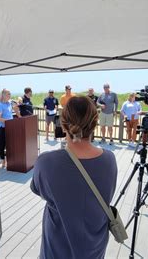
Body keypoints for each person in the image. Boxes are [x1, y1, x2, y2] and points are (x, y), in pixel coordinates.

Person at [31, 96, 117, 258]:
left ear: (63, 125)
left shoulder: (47, 162)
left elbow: (38, 189)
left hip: (58, 246)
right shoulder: (109, 159)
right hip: (95, 246)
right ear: (94, 124)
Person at [0, 89, 21, 168]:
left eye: (10, 94)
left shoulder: (9, 103)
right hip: (2, 128)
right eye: (8, 94)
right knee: (2, 144)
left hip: (10, 127)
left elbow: (15, 108)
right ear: (3, 95)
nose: (10, 95)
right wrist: (9, 121)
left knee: (10, 144)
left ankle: (10, 160)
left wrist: (17, 107)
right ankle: (3, 160)